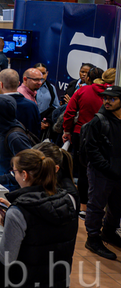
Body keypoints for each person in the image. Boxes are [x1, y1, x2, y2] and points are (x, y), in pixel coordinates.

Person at [0, 149, 79, 288]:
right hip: (57, 285)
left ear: (24, 175)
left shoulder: (19, 211)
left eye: (14, 172)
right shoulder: (68, 200)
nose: (14, 175)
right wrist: (12, 209)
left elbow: (6, 257)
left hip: (24, 287)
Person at [63, 66, 110, 215]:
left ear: (88, 78)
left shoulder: (82, 90)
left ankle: (83, 207)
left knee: (83, 171)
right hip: (105, 136)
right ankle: (101, 207)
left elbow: (69, 113)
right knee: (102, 171)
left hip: (81, 134)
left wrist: (67, 131)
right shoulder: (112, 94)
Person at [81, 85, 121, 259]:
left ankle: (109, 233)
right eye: (105, 98)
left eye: (112, 98)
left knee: (117, 206)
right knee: (96, 206)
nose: (107, 101)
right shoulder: (99, 121)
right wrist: (106, 167)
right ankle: (93, 238)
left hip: (118, 173)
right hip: (101, 172)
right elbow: (91, 150)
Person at [0, 93, 33, 175]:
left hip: (13, 183)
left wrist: (2, 180)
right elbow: (1, 154)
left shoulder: (15, 137)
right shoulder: (4, 129)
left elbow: (28, 168)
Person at [0, 68, 42, 140]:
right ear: (24, 80)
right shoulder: (27, 102)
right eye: (36, 80)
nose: (40, 82)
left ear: (1, 84)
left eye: (40, 79)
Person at [33, 62, 60, 137]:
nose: (41, 76)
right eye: (38, 73)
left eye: (43, 73)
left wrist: (48, 121)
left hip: (45, 126)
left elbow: (56, 107)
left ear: (47, 73)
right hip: (30, 124)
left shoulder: (51, 88)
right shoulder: (28, 87)